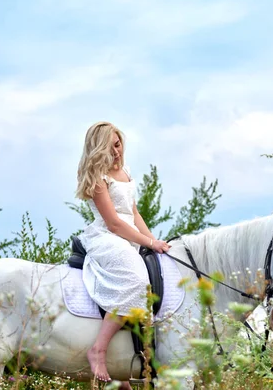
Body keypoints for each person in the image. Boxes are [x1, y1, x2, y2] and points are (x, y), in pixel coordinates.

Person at [75, 121, 171, 385]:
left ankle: (128, 365)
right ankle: (99, 349)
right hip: (109, 238)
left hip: (129, 236)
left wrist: (153, 240)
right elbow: (115, 223)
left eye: (117, 145)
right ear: (97, 151)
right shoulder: (98, 179)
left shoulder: (125, 172)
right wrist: (148, 244)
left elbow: (134, 213)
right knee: (137, 282)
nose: (116, 152)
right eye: (109, 148)